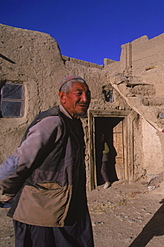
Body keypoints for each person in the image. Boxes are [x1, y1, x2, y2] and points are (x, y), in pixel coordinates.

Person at [0, 75, 94, 246]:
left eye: (88, 94)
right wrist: (5, 188)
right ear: (62, 97)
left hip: (65, 207)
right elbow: (19, 161)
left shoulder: (74, 123)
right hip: (40, 213)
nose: (85, 99)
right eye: (78, 93)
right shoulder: (53, 122)